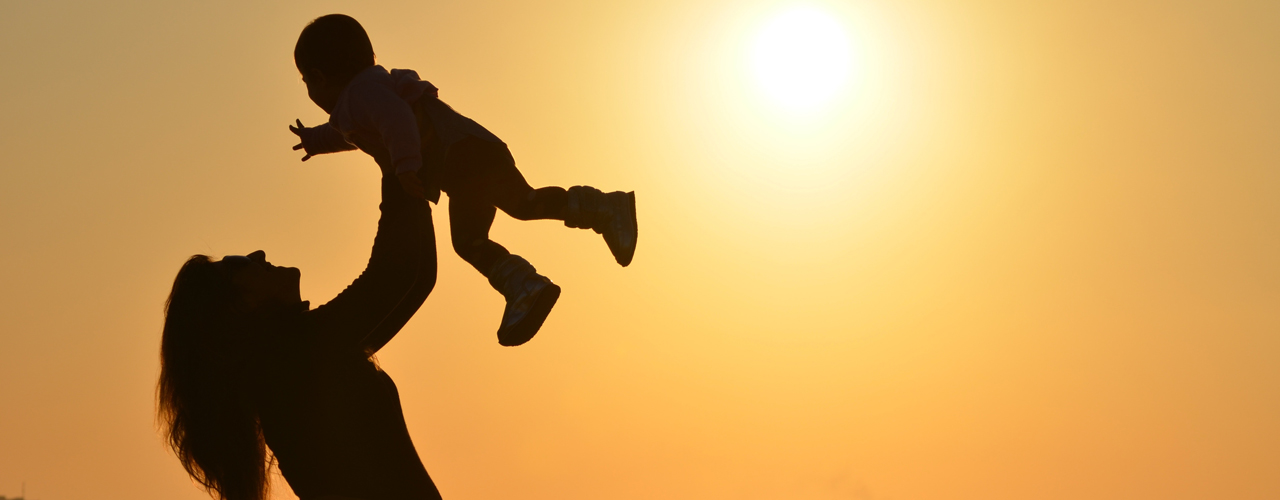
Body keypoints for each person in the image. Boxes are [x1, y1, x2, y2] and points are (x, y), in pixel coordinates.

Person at [288, 14, 637, 347]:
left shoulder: (362, 94)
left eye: (305, 81)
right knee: (480, 233)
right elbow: (346, 133)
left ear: (318, 77)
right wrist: (314, 141)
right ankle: (526, 284)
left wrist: (406, 167)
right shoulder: (361, 97)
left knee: (518, 206)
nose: (308, 90)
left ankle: (599, 214)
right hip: (462, 168)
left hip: (466, 154)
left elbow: (396, 120)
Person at [158, 159, 442, 500]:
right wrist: (396, 163)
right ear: (239, 305)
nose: (258, 253)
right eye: (238, 263)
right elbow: (395, 275)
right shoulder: (295, 358)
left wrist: (407, 169)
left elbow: (416, 279)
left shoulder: (293, 361)